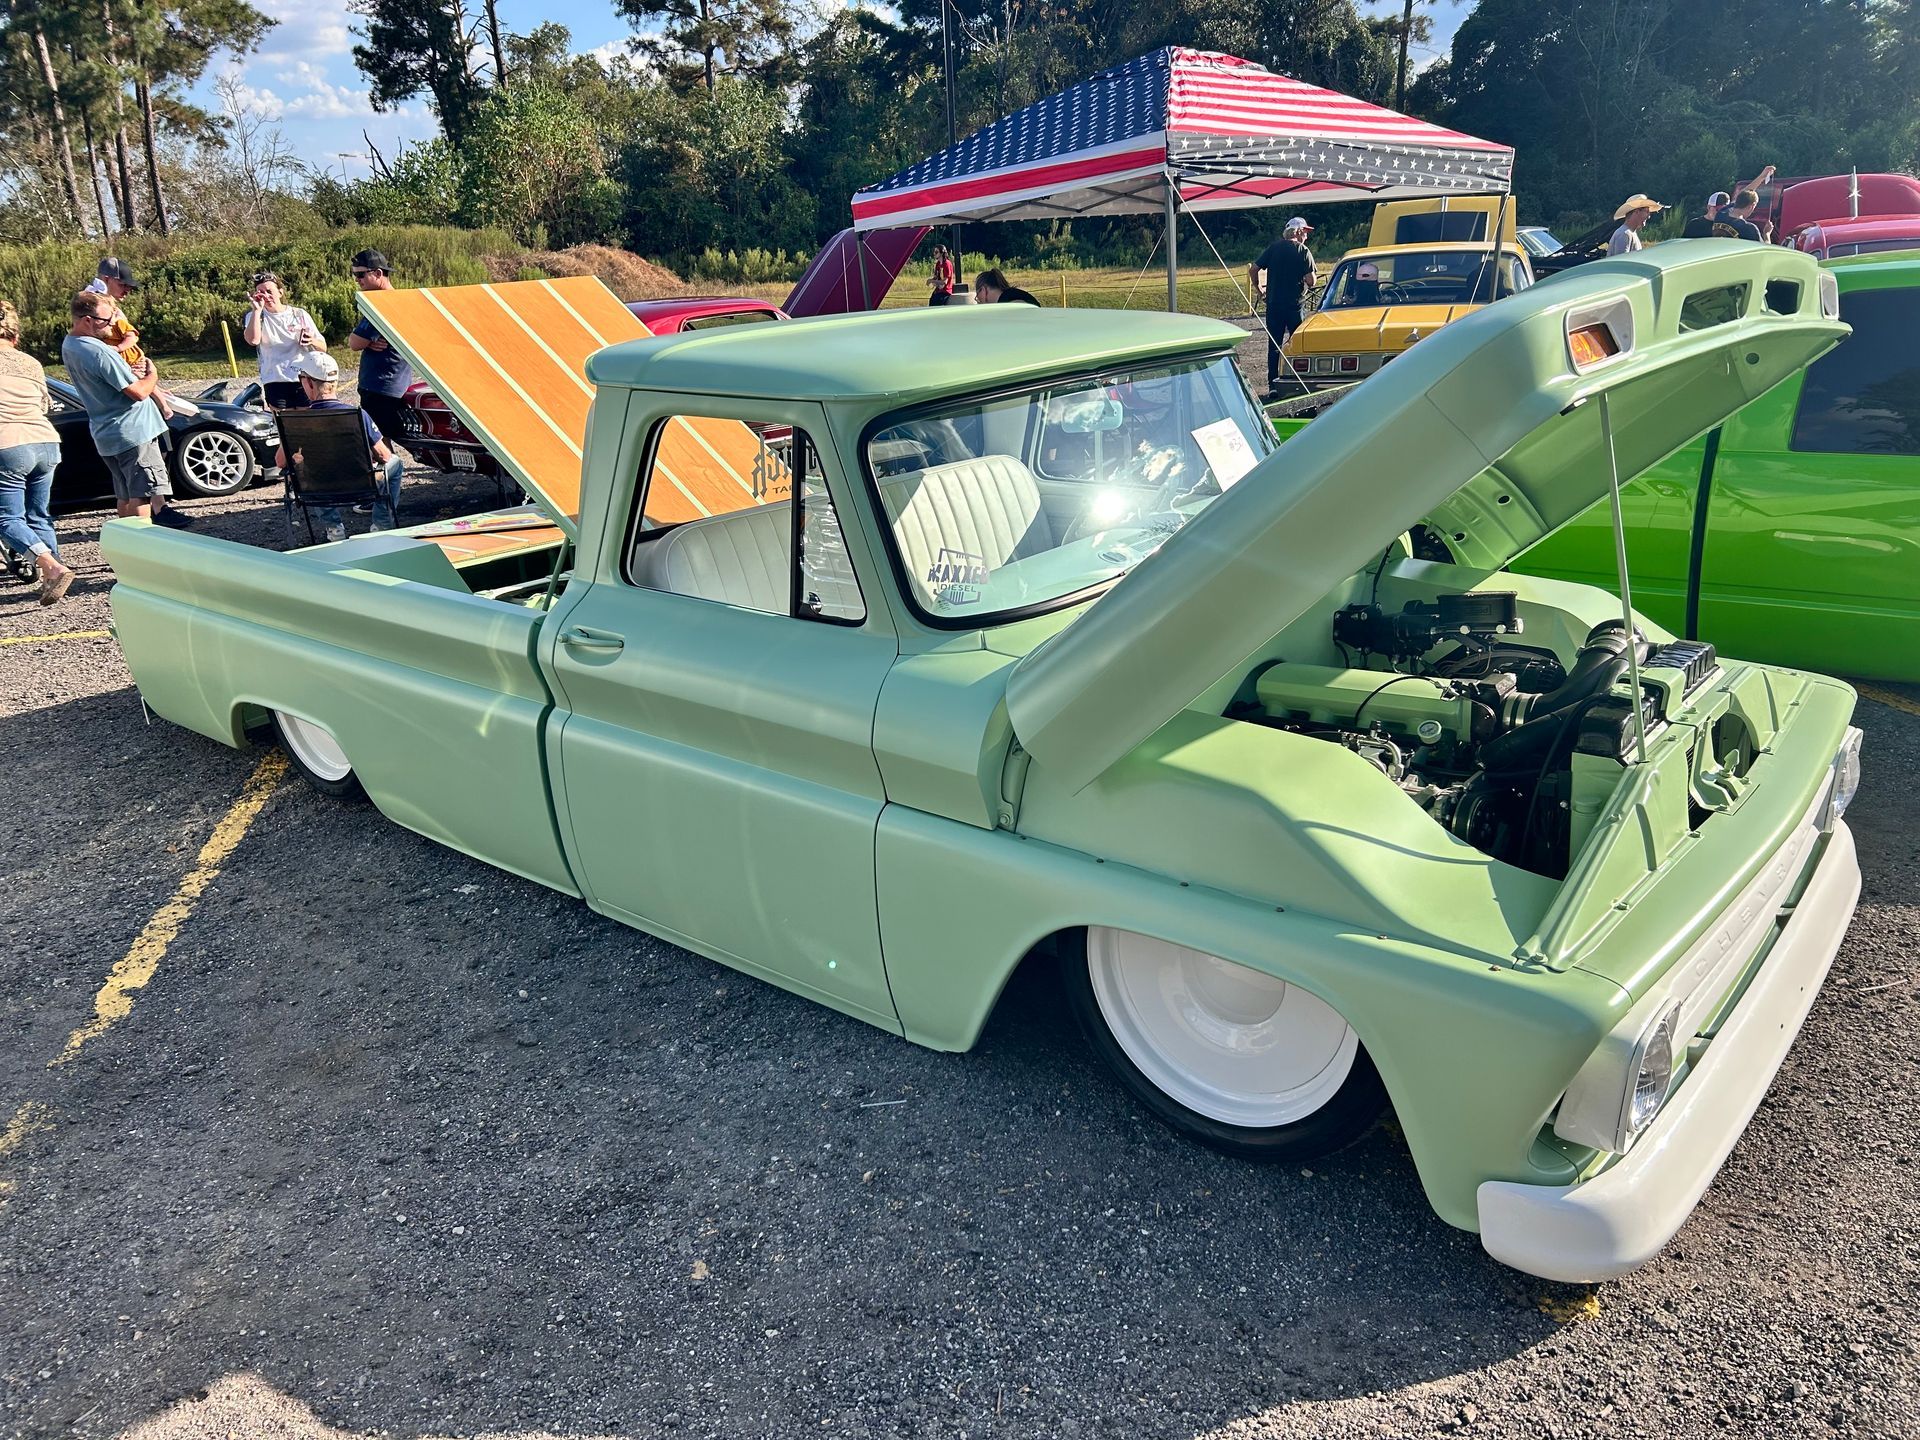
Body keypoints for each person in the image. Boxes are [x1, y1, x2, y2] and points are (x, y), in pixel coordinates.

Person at [62, 289, 189, 530]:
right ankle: (145, 548)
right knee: (142, 494)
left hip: (107, 433)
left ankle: (128, 545)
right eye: (106, 321)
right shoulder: (98, 351)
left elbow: (109, 382)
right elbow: (138, 392)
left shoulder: (70, 344)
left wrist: (132, 374)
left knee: (124, 495)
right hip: (133, 432)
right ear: (87, 320)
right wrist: (152, 375)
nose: (112, 326)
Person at [273, 350, 403, 543]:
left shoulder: (296, 421)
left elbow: (281, 462)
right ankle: (381, 525)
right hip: (360, 484)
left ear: (309, 383)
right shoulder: (358, 415)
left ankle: (333, 528)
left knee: (310, 471)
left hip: (318, 489)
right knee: (396, 463)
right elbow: (384, 457)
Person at [0, 299, 75, 604]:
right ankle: (52, 579)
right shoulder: (30, 362)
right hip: (46, 441)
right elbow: (44, 404)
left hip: (8, 443)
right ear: (15, 337)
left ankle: (53, 567)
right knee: (39, 515)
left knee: (6, 519)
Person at [346, 249, 414, 450]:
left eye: (360, 274)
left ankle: (388, 480)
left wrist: (366, 342)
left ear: (377, 273)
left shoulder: (383, 305)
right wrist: (369, 341)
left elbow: (354, 342)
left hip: (380, 386)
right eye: (355, 275)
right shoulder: (398, 301)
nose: (358, 280)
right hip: (392, 382)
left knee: (379, 446)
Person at [241, 271, 326, 410]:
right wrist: (257, 311)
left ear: (280, 292)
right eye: (260, 292)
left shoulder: (298, 314)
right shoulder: (255, 316)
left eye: (269, 291)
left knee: (309, 424)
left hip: (302, 378)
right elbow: (253, 340)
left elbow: (323, 348)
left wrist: (312, 341)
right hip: (274, 380)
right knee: (285, 426)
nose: (266, 296)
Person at [1251, 216, 1316, 393]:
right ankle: (1297, 380)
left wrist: (1258, 289)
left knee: (1274, 345)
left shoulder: (1273, 248)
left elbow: (1254, 269)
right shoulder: (1303, 250)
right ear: (1299, 231)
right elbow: (1311, 281)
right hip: (1295, 305)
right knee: (1297, 343)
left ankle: (1273, 384)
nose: (1307, 237)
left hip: (1273, 304)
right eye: (1306, 232)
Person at [973, 268, 1041, 306]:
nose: (977, 299)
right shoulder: (1011, 294)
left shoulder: (1005, 302)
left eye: (977, 293)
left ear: (983, 290)